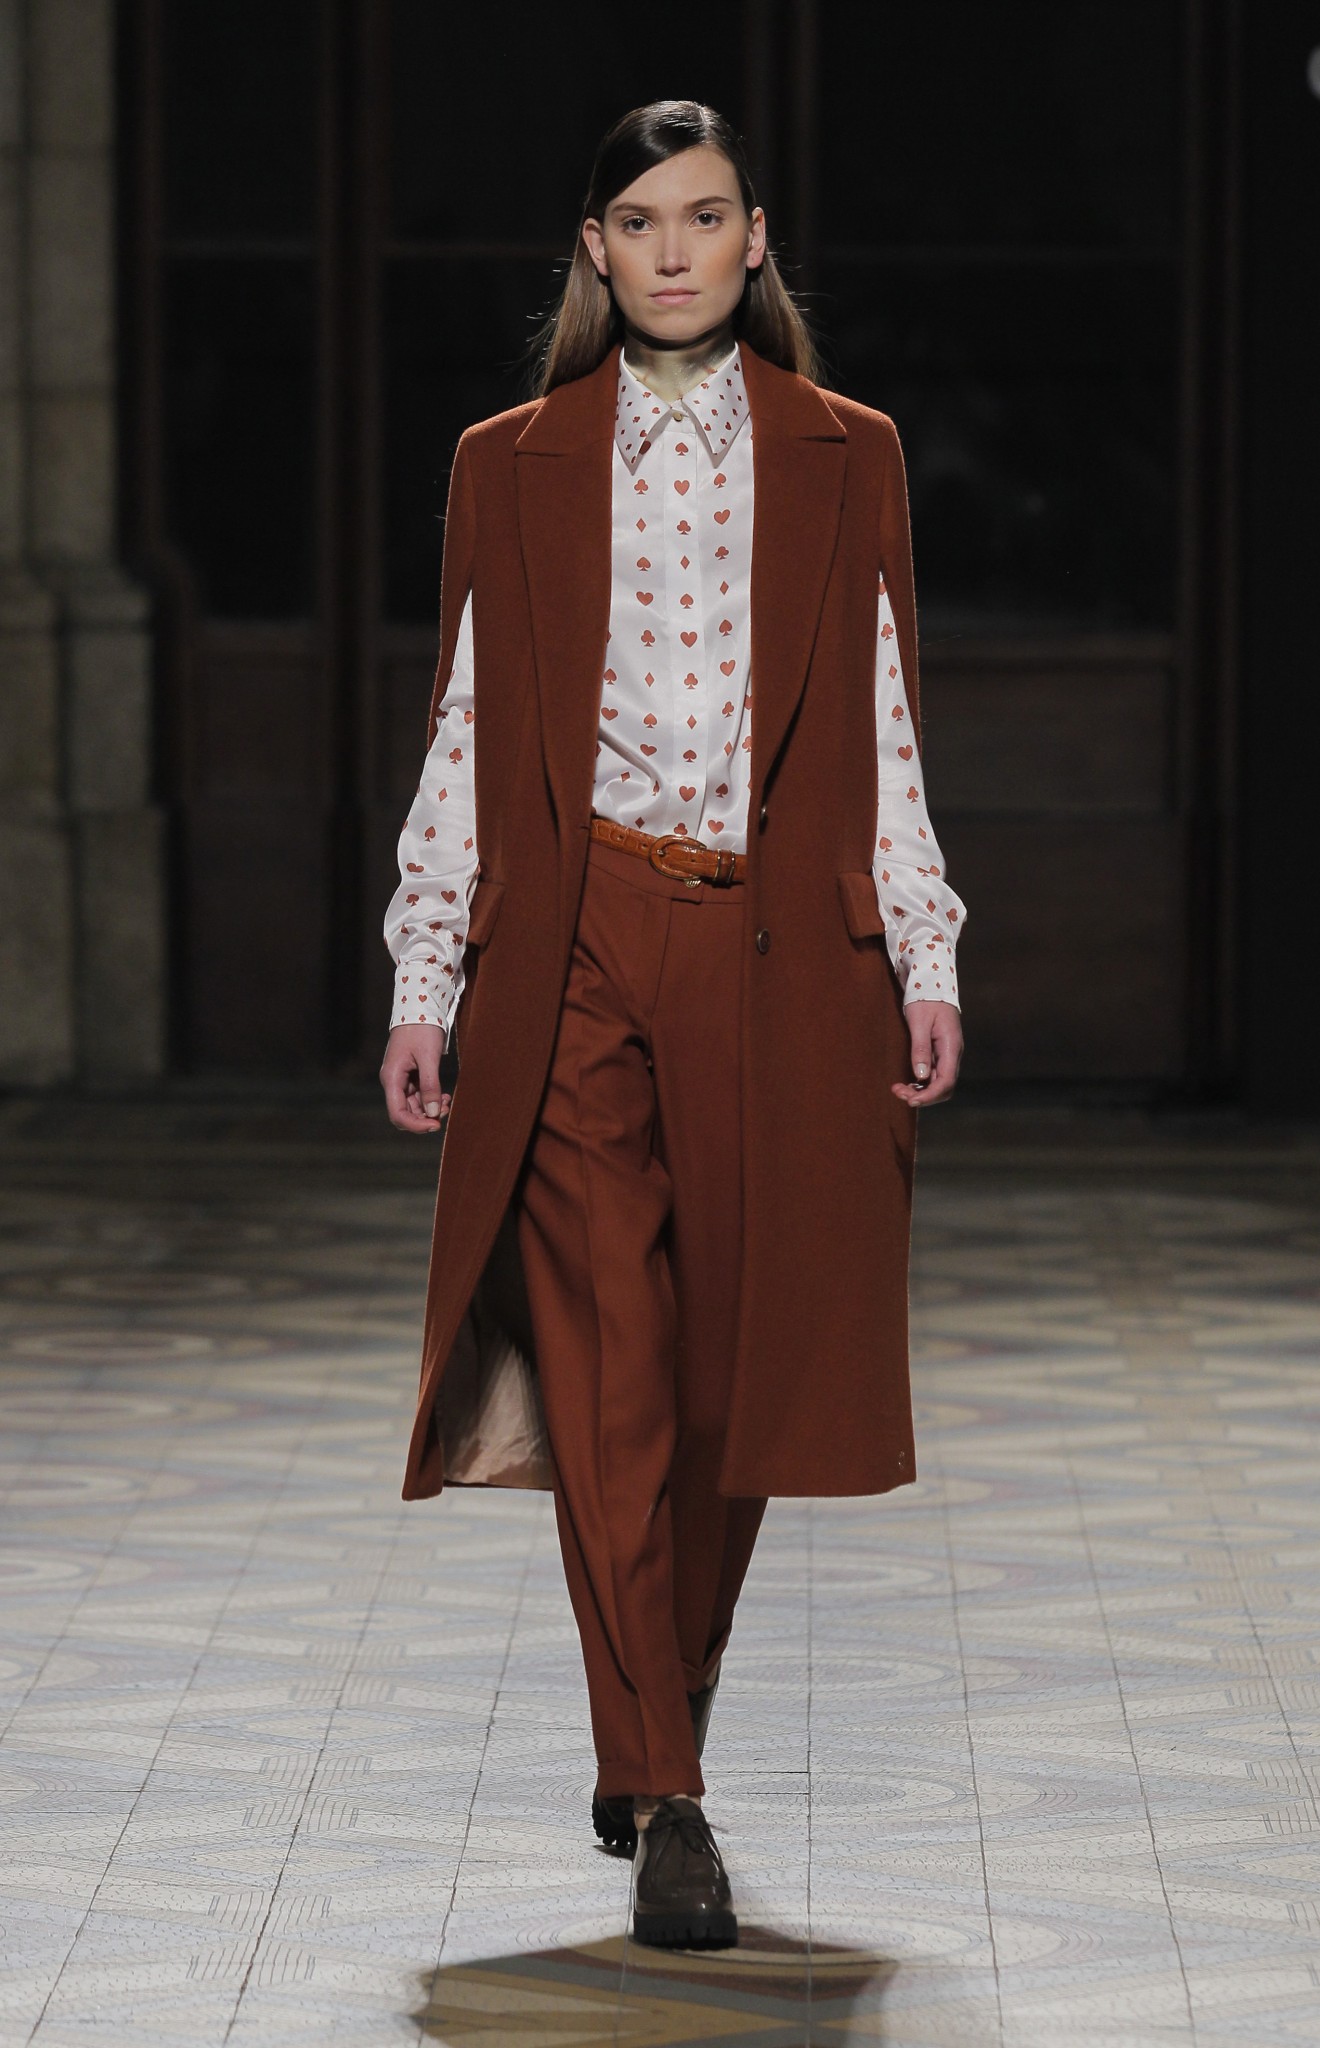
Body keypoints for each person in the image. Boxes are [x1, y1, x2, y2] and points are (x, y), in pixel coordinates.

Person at [379, 99, 965, 1951]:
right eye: (638, 223)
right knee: (611, 1375)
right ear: (595, 250)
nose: (674, 252)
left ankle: (659, 1711)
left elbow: (881, 715)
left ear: (754, 236)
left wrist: (926, 950)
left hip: (778, 951)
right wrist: (425, 972)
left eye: (704, 217)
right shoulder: (511, 461)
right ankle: (670, 1791)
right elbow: (468, 721)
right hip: (571, 946)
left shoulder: (845, 452)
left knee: (729, 1384)